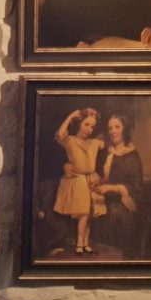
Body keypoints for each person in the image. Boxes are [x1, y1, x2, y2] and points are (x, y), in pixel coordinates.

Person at [92, 113, 149, 259]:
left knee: (117, 214)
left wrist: (113, 188)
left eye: (117, 127)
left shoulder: (132, 156)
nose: (112, 131)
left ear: (125, 129)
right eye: (110, 128)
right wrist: (99, 180)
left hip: (122, 204)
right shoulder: (105, 152)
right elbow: (97, 173)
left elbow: (137, 189)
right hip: (103, 199)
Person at [52, 108, 105, 256]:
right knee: (83, 214)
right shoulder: (71, 141)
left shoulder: (95, 143)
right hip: (79, 181)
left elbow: (106, 142)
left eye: (92, 126)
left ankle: (86, 243)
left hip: (92, 179)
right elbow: (60, 134)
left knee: (90, 215)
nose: (89, 129)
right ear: (79, 124)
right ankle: (79, 243)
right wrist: (70, 116)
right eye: (86, 124)